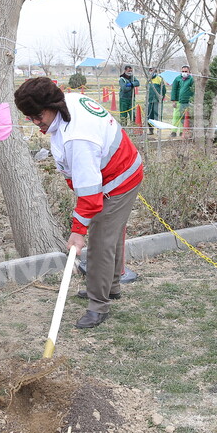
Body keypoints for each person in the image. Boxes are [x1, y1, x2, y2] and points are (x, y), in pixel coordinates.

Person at [14, 77, 143, 329]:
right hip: (114, 173)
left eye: (38, 116)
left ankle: (98, 304)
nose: (36, 122)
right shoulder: (67, 103)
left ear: (53, 104)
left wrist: (78, 230)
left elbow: (90, 194)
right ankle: (111, 286)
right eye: (29, 118)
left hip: (119, 180)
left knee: (100, 241)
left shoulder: (78, 138)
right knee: (110, 234)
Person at [170, 65, 194, 135]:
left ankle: (181, 131)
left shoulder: (191, 80)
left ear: (189, 72)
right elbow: (174, 90)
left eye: (186, 71)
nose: (184, 73)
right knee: (176, 116)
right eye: (183, 71)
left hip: (187, 102)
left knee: (183, 117)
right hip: (178, 101)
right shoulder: (177, 79)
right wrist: (173, 101)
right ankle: (174, 131)